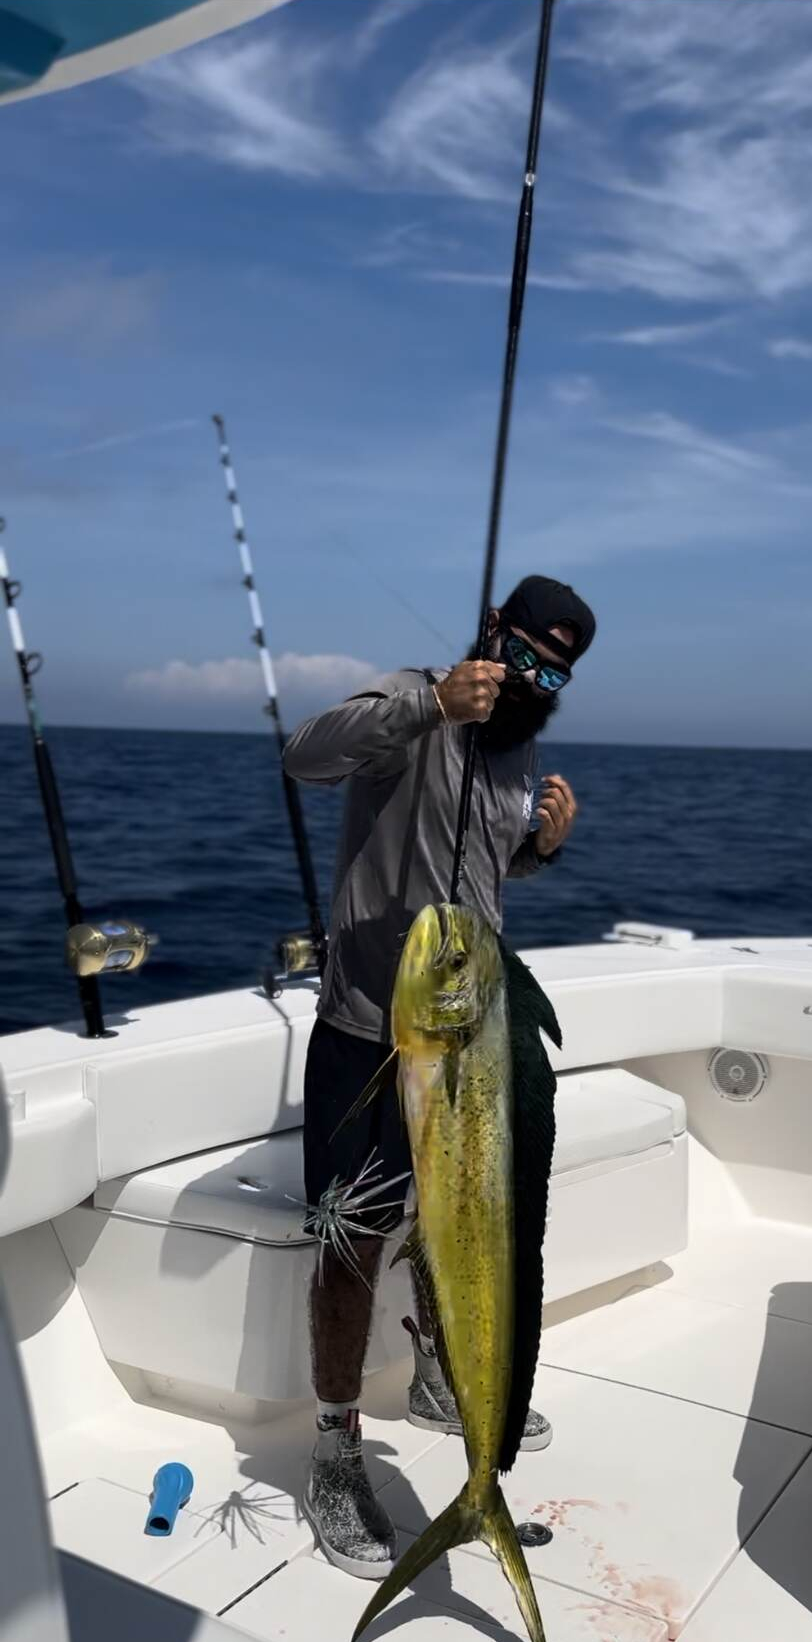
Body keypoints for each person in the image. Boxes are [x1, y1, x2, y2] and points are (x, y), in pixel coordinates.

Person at [283, 573, 596, 1579]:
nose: (537, 676)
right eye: (528, 652)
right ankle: (334, 1443)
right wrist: (432, 703)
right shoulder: (415, 699)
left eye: (558, 667)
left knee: (455, 1216)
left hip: (469, 1037)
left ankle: (432, 1371)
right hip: (371, 1027)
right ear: (491, 634)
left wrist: (540, 850)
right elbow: (306, 754)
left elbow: (482, 871)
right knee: (353, 1236)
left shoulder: (520, 750)